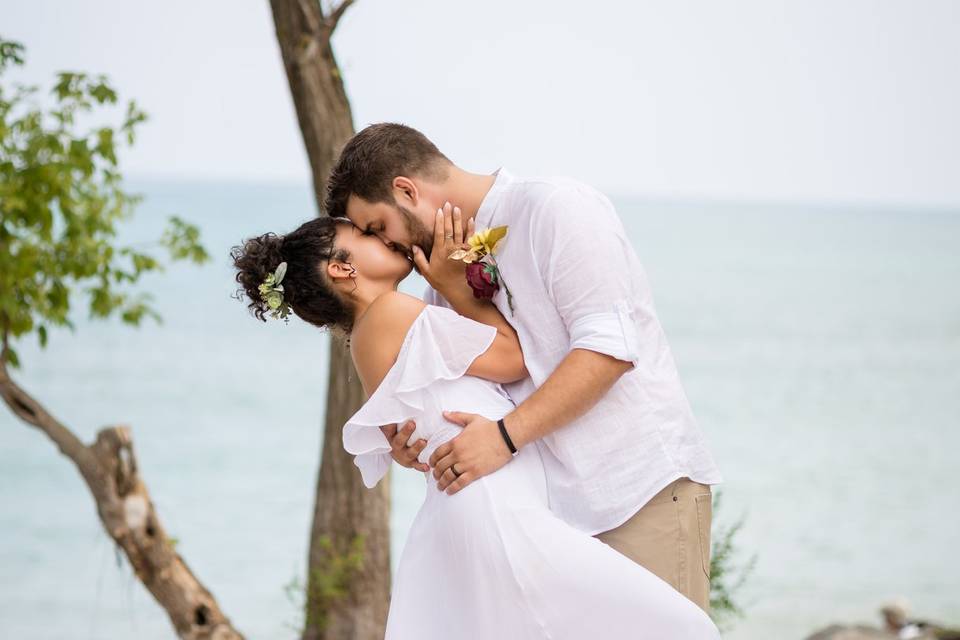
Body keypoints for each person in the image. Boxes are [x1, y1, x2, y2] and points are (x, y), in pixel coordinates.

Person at [231, 216, 721, 638]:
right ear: (342, 267)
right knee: (679, 626)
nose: (387, 239)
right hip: (493, 508)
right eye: (366, 235)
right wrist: (453, 284)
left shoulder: (365, 339)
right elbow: (512, 359)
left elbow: (405, 438)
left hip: (475, 505)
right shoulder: (393, 312)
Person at [324, 122, 724, 613]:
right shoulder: (437, 282)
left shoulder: (555, 209)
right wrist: (414, 441)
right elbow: (473, 394)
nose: (388, 246)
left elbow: (610, 350)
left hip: (635, 496)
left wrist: (504, 437)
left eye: (377, 227)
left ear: (406, 191)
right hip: (550, 527)